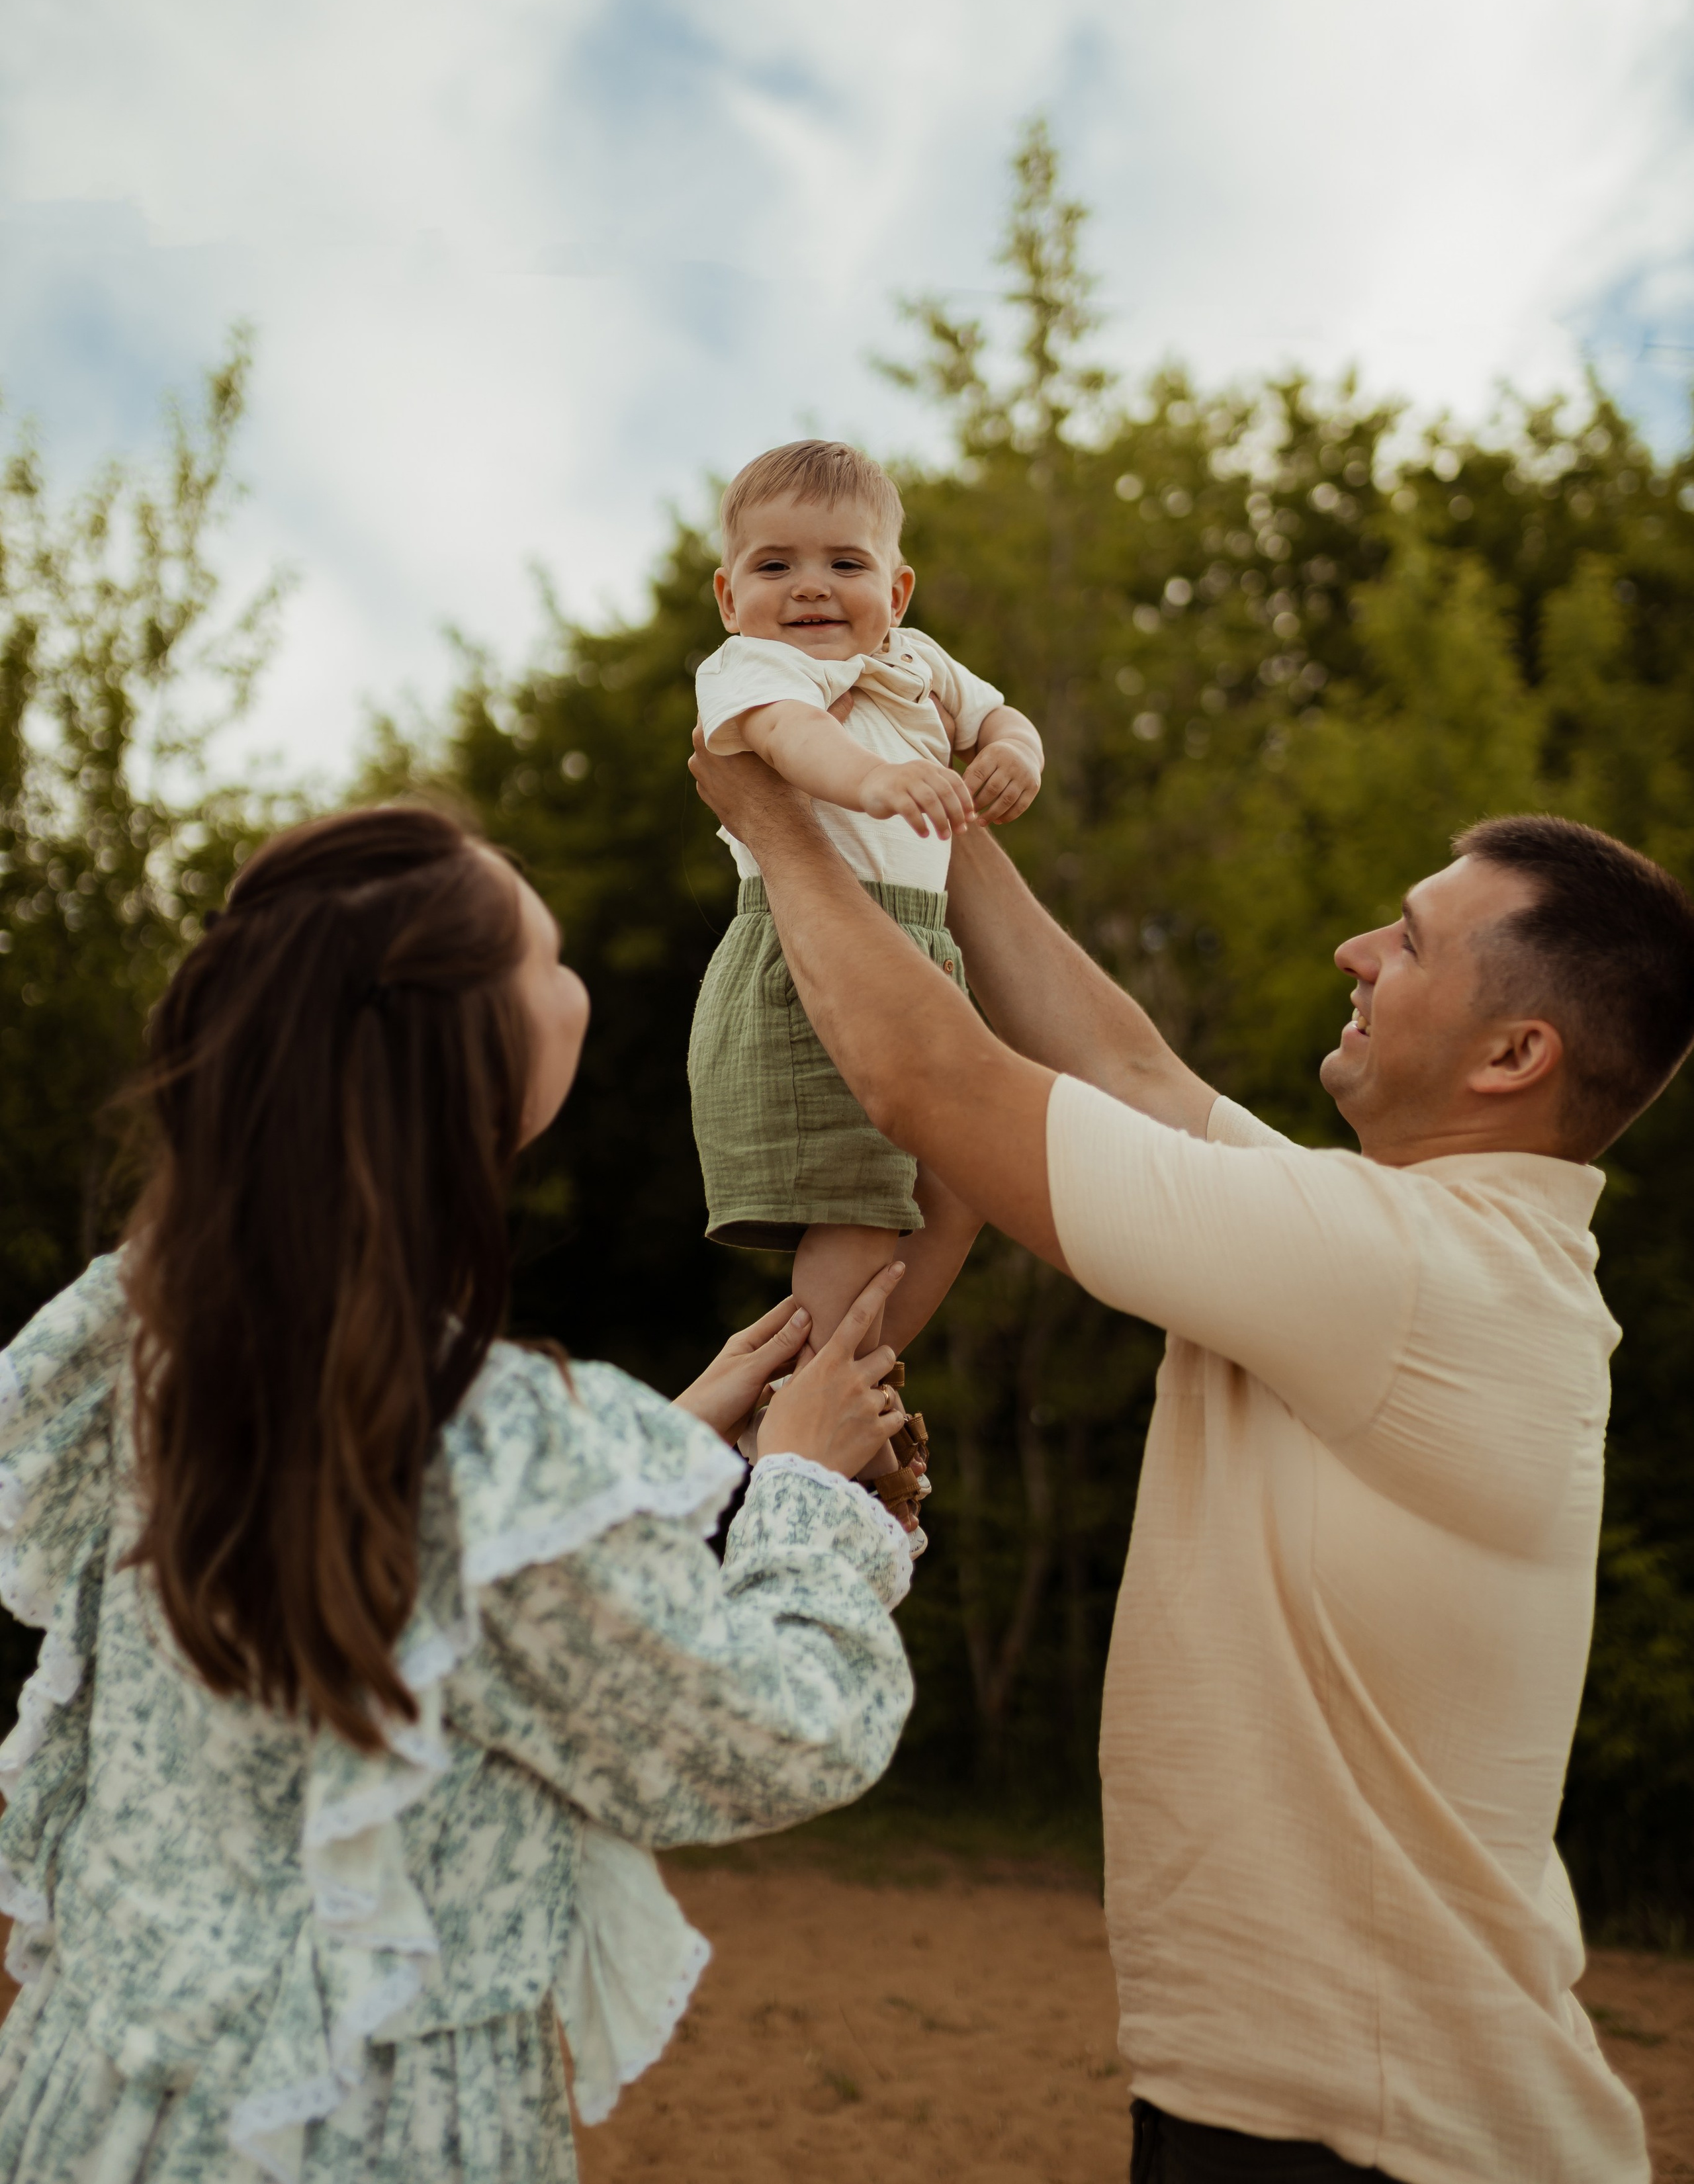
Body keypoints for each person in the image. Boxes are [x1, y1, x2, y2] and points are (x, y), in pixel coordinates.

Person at [689, 734, 1685, 2184]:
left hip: (1368, 2135)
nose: (1357, 951)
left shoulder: (1405, 1274)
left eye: (1408, 943)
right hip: (1334, 2108)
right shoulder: (1419, 1252)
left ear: (1512, 1056)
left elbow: (924, 1076)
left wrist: (776, 818)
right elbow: (1118, 1063)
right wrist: (917, 788)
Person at [0, 803, 920, 2184]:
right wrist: (799, 1492)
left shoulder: (154, 1330)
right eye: (546, 960)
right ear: (464, 1052)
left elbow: (435, 1559)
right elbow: (782, 1735)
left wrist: (661, 1451)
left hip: (100, 2106)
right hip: (359, 2135)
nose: (576, 987)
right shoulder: (477, 1438)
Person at [690, 438, 1043, 1520]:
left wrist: (1014, 753)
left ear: (897, 591)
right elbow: (791, 741)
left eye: (844, 564)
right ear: (730, 596)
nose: (809, 588)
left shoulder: (919, 661)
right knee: (858, 1210)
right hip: (809, 967)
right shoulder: (756, 671)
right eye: (775, 565)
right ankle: (812, 1424)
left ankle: (822, 1392)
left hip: (919, 958)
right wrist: (878, 777)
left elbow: (1000, 716)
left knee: (968, 1183)